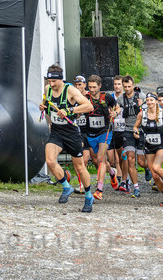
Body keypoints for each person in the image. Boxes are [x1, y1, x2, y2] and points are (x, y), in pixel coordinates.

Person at [40, 64, 95, 211]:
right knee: (50, 160)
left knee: (79, 167)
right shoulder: (47, 89)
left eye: (54, 82)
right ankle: (66, 186)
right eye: (49, 82)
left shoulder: (70, 90)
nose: (51, 85)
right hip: (57, 131)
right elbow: (46, 102)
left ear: (61, 80)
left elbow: (89, 106)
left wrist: (69, 109)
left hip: (71, 132)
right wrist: (43, 107)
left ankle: (89, 196)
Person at [84, 75, 121, 200]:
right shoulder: (85, 98)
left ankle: (99, 190)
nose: (92, 89)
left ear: (100, 86)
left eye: (94, 87)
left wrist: (115, 112)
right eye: (90, 87)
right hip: (91, 134)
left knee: (101, 158)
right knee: (102, 161)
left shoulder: (106, 97)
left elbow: (117, 108)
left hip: (105, 132)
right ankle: (112, 173)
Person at [135, 92, 163, 205]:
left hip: (161, 145)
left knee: (156, 167)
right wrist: (135, 132)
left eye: (151, 100)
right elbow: (135, 126)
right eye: (147, 100)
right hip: (149, 146)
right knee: (155, 176)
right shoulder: (141, 114)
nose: (149, 102)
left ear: (156, 101)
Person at [117, 75, 143, 195]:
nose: (127, 89)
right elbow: (117, 109)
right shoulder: (121, 99)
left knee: (142, 162)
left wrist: (142, 106)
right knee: (130, 159)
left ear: (133, 85)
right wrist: (114, 112)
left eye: (129, 86)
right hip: (128, 130)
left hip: (141, 130)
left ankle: (147, 170)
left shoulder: (141, 96)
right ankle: (136, 187)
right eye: (125, 86)